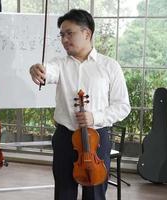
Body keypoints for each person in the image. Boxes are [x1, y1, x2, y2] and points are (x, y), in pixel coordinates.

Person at [29, 9, 131, 200]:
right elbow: (46, 72)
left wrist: (95, 117)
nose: (64, 39)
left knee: (95, 193)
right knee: (64, 192)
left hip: (97, 138)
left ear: (87, 33)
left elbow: (123, 106)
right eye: (62, 35)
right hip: (65, 137)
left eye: (70, 33)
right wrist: (36, 69)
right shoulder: (59, 64)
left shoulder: (110, 66)